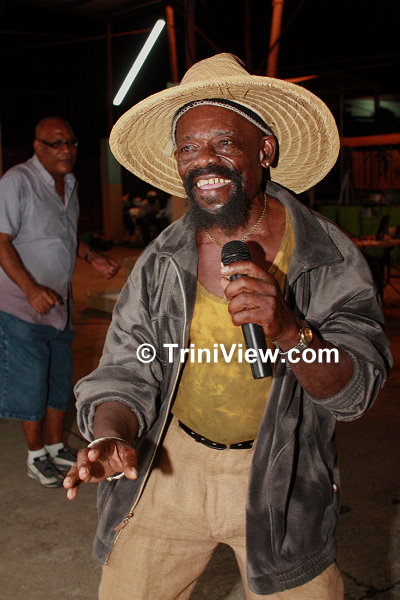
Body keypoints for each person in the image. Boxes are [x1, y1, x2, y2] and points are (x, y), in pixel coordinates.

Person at [64, 54, 391, 599]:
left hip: (281, 476)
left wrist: (288, 331)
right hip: (170, 465)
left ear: (265, 150)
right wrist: (111, 435)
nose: (204, 161)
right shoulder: (162, 259)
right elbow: (125, 367)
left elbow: (355, 391)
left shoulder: (325, 255)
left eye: (224, 143)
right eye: (188, 148)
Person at [0, 116, 119, 488]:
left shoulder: (69, 183)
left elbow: (63, 236)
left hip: (59, 304)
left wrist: (91, 256)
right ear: (37, 146)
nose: (66, 149)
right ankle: (36, 455)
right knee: (31, 381)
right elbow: (1, 241)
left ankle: (54, 445)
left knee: (57, 379)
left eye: (70, 142)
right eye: (56, 143)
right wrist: (30, 289)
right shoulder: (17, 182)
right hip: (21, 303)